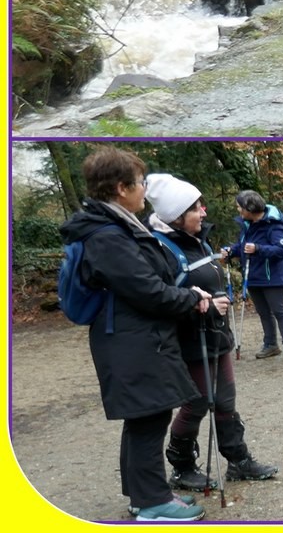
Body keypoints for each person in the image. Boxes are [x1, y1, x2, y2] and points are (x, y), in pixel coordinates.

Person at [60, 150, 213, 521]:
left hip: (135, 336)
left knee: (146, 416)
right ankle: (153, 503)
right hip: (132, 339)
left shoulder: (117, 226)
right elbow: (145, 289)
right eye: (140, 182)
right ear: (120, 187)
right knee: (149, 417)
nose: (145, 189)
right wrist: (190, 297)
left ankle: (142, 495)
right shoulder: (108, 236)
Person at [145, 175, 280, 492]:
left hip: (218, 334)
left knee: (225, 400)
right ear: (176, 216)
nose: (204, 212)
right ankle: (181, 467)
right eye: (196, 208)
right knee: (198, 402)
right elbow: (158, 297)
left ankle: (238, 461)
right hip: (191, 338)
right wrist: (197, 304)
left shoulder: (198, 240)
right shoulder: (160, 248)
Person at [234, 190, 283, 362]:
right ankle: (270, 345)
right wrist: (231, 251)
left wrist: (258, 249)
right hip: (254, 275)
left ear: (250, 207)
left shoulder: (274, 225)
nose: (238, 210)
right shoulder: (248, 225)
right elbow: (243, 246)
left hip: (274, 276)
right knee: (263, 312)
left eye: (240, 207)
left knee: (279, 311)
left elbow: (281, 249)